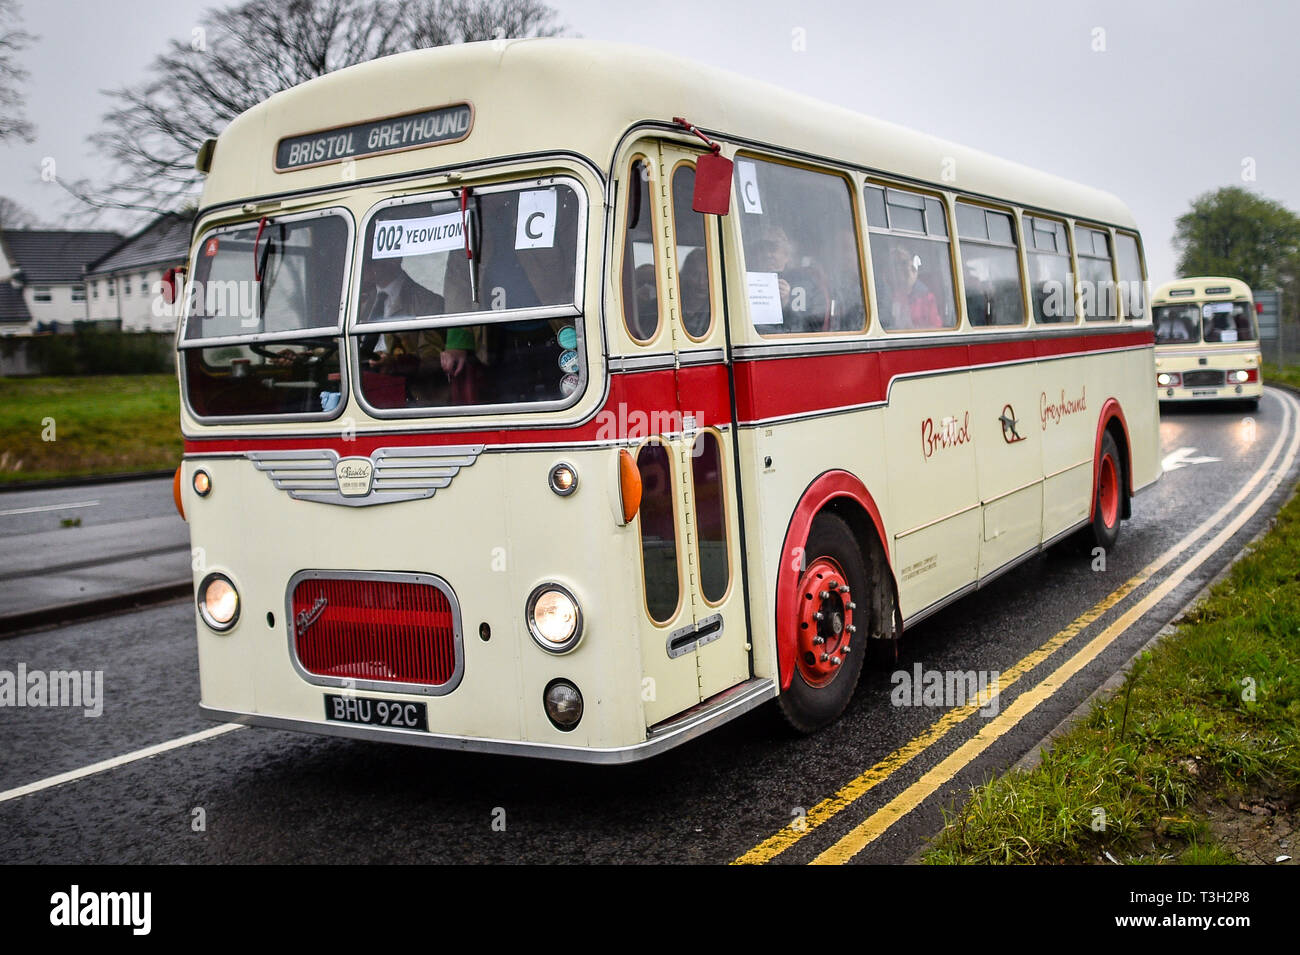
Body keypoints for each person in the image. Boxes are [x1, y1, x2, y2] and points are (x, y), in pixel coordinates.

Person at [358, 255, 475, 403]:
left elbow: (434, 358)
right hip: (365, 390)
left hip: (412, 397)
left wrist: (394, 364)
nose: (364, 264)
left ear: (394, 259)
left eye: (371, 258)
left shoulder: (428, 303)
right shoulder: (361, 301)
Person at [748, 225, 828, 331]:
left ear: (787, 255)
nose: (767, 254)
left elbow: (812, 328)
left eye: (773, 248)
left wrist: (786, 306)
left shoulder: (805, 284)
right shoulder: (744, 281)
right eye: (762, 248)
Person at [883, 245, 942, 329]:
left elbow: (936, 328)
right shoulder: (885, 295)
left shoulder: (926, 297)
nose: (900, 268)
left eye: (904, 263)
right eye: (896, 264)